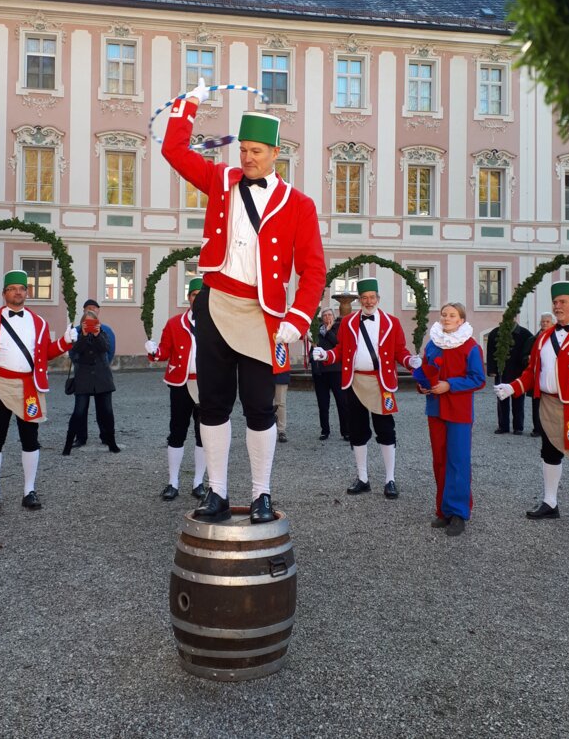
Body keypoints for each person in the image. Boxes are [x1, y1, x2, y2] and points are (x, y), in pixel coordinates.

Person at [161, 79, 326, 524]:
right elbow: (173, 151)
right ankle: (216, 492)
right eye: (243, 149)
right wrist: (189, 103)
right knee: (213, 404)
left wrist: (298, 318)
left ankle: (260, 495)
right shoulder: (221, 180)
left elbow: (314, 270)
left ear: (276, 153)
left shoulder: (300, 205)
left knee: (259, 407)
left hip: (263, 315)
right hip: (215, 305)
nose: (248, 157)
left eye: (256, 151)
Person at [0, 269, 76, 513]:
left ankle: (29, 491)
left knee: (30, 439)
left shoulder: (39, 322)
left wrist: (65, 341)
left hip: (29, 388)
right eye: (12, 289)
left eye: (22, 289)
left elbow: (47, 353)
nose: (18, 292)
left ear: (27, 293)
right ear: (4, 293)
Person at [495, 281, 569, 530]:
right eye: (555, 302)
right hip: (548, 403)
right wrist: (512, 387)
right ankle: (550, 502)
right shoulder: (543, 337)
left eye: (563, 302)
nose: (557, 306)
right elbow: (532, 372)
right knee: (549, 453)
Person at [312, 278, 421, 498]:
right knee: (357, 430)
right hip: (355, 383)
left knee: (386, 430)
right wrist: (326, 355)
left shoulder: (392, 322)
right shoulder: (348, 322)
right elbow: (341, 350)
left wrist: (410, 361)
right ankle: (362, 478)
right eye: (364, 298)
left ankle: (390, 479)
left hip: (382, 384)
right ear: (359, 300)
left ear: (378, 298)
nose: (368, 301)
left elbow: (399, 350)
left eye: (372, 297)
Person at [413, 302, 485, 537]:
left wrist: (450, 385)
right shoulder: (433, 344)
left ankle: (459, 512)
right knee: (440, 460)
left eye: (452, 315)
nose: (446, 318)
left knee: (458, 461)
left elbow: (478, 379)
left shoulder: (471, 347)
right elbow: (425, 371)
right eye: (444, 314)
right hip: (435, 409)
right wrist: (422, 386)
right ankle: (443, 509)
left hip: (459, 411)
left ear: (461, 320)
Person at [144, 278, 207, 500]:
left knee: (203, 434)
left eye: (202, 294)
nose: (197, 298)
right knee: (177, 431)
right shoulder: (174, 323)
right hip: (180, 383)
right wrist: (154, 351)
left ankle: (199, 482)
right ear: (188, 298)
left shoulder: (216, 323)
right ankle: (173, 482)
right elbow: (164, 351)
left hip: (206, 384)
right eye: (194, 294)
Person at [62, 311, 119, 455]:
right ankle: (68, 444)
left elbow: (105, 348)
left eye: (93, 323)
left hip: (102, 378)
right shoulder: (77, 336)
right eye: (87, 323)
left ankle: (111, 442)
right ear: (82, 324)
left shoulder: (103, 334)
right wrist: (84, 335)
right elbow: (76, 350)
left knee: (107, 411)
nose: (90, 325)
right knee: (79, 411)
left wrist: (97, 334)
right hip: (83, 379)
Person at [486, 317, 533, 435]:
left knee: (518, 402)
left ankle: (518, 427)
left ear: (516, 319)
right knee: (502, 400)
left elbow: (531, 348)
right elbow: (490, 352)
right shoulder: (495, 333)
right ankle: (503, 426)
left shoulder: (525, 333)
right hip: (501, 372)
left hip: (518, 373)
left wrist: (527, 365)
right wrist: (491, 369)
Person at [310, 308, 349, 442]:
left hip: (336, 371)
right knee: (323, 404)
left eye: (329, 315)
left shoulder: (338, 329)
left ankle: (346, 431)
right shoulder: (316, 331)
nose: (327, 317)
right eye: (325, 315)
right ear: (322, 318)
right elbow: (314, 349)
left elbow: (338, 344)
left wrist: (328, 331)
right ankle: (324, 431)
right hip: (320, 372)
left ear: (334, 316)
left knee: (342, 402)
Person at [525, 312, 555, 436]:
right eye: (543, 321)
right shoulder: (533, 340)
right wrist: (527, 359)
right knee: (536, 405)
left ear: (553, 323)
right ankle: (537, 429)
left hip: (552, 379)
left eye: (547, 321)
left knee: (552, 406)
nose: (545, 324)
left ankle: (550, 430)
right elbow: (523, 356)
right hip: (536, 378)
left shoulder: (558, 339)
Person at [274, 370, 291, 443]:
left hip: (281, 371)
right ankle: (264, 429)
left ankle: (281, 431)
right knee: (265, 403)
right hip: (264, 373)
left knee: (281, 403)